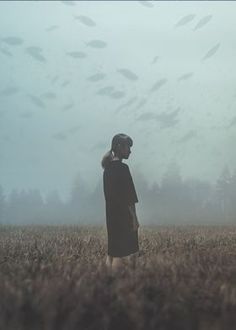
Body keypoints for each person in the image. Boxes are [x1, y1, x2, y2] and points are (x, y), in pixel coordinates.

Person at [101, 133, 140, 272]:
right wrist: (134, 218)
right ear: (118, 147)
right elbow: (130, 197)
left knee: (113, 252)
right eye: (127, 147)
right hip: (124, 217)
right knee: (123, 255)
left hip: (111, 217)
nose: (130, 150)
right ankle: (120, 285)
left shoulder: (107, 169)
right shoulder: (123, 169)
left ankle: (107, 281)